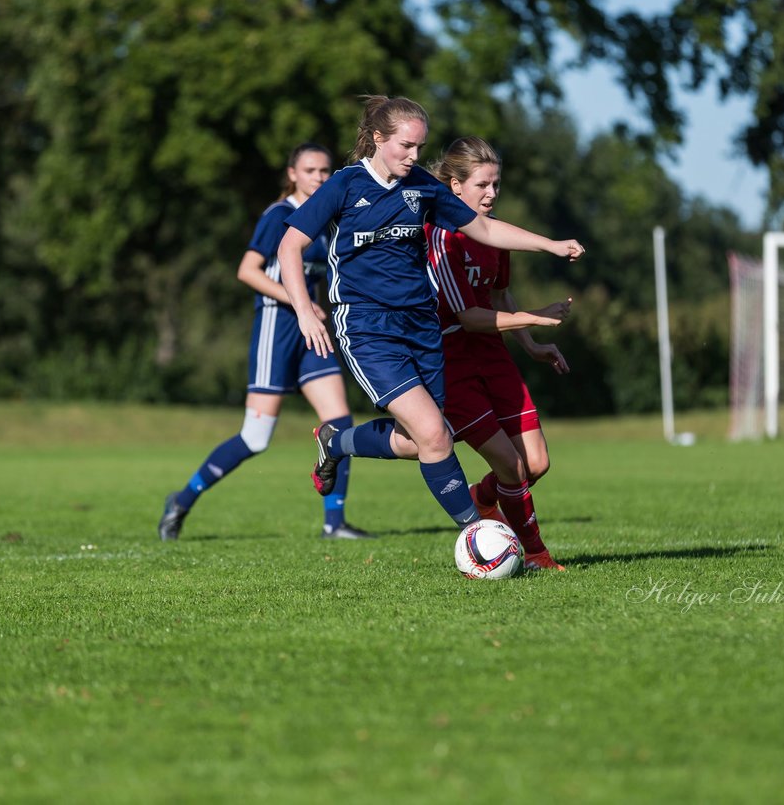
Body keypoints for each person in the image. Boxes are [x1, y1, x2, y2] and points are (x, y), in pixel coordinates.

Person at [277, 96, 584, 536]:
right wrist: (305, 311)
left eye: (420, 147)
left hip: (421, 328)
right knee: (434, 436)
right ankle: (480, 535)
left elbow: (485, 229)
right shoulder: (345, 186)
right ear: (379, 139)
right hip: (367, 328)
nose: (414, 156)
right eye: (405, 146)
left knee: (430, 437)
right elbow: (289, 246)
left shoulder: (422, 186)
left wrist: (551, 244)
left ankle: (337, 442)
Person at [158, 143, 373, 541]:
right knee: (255, 438)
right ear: (292, 173)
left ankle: (334, 523)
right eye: (311, 170)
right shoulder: (280, 216)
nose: (320, 178)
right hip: (277, 330)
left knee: (339, 424)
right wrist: (302, 300)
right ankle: (182, 500)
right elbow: (248, 271)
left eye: (326, 171)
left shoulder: (326, 219)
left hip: (311, 334)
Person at [425, 136, 573, 571]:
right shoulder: (441, 235)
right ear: (454, 186)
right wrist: (534, 318)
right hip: (452, 360)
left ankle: (482, 498)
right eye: (482, 185)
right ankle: (537, 555)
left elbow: (500, 294)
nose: (491, 194)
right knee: (512, 465)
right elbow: (469, 317)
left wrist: (531, 344)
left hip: (493, 355)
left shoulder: (496, 235)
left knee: (536, 463)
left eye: (496, 185)